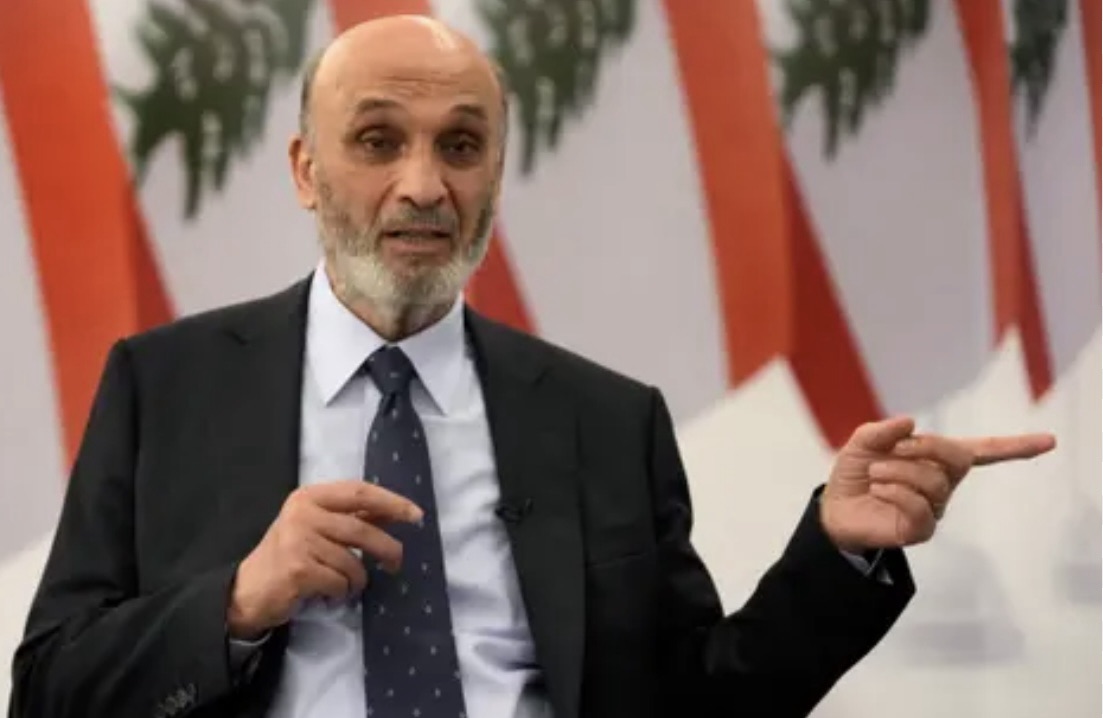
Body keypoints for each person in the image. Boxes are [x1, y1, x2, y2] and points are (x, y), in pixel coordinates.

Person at [8, 15, 1055, 718]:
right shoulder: (165, 386)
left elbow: (700, 701)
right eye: (377, 141)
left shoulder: (605, 420)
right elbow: (50, 688)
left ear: (496, 174)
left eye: (461, 147)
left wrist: (836, 552)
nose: (424, 185)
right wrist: (238, 601)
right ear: (305, 170)